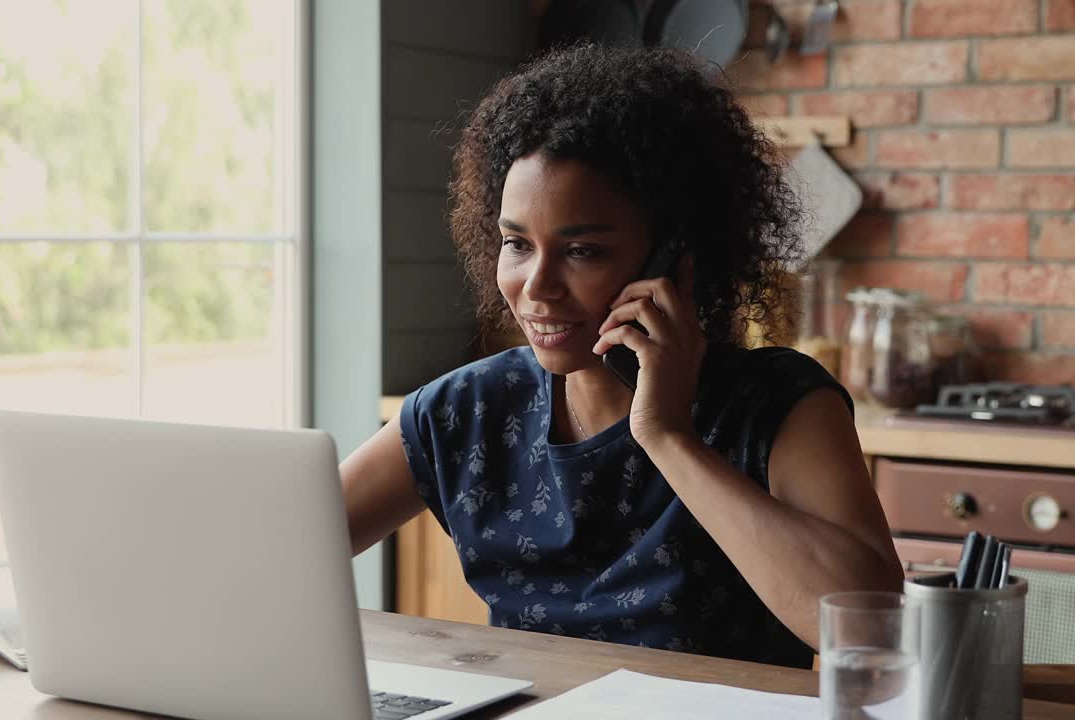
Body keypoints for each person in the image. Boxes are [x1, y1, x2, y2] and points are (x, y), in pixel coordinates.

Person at [340, 44, 902, 669]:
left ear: (673, 259)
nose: (537, 285)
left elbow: (870, 632)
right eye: (516, 244)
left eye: (582, 251)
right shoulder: (465, 411)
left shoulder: (779, 406)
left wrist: (667, 435)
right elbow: (271, 549)